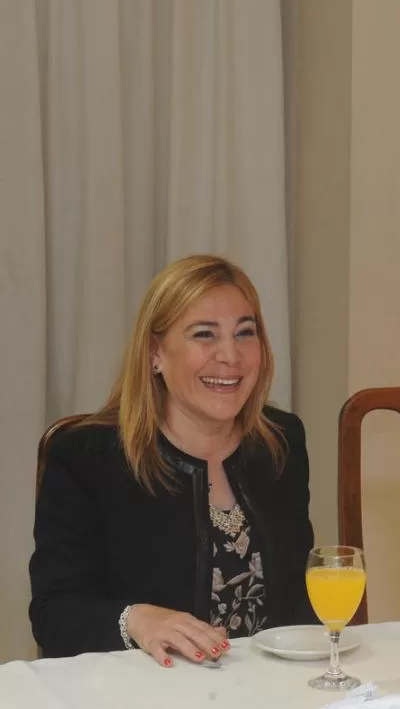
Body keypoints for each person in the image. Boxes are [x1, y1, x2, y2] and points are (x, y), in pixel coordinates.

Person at [30, 255, 316, 665]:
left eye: (245, 333)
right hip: (146, 691)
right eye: (205, 335)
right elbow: (54, 613)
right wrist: (136, 620)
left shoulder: (280, 441)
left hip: (270, 687)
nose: (230, 356)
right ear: (154, 354)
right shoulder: (87, 457)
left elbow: (299, 600)